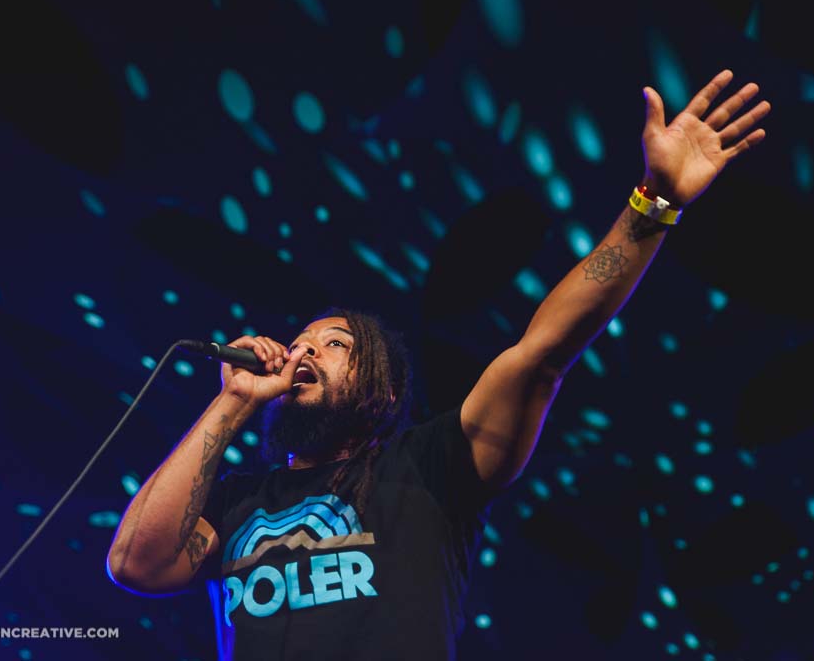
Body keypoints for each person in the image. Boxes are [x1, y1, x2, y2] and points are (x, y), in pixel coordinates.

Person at [106, 69, 770, 659]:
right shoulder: (234, 502)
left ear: (384, 386)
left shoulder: (429, 466)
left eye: (335, 344)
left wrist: (652, 207)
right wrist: (233, 401)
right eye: (301, 340)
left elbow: (542, 354)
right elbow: (134, 562)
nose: (304, 349)